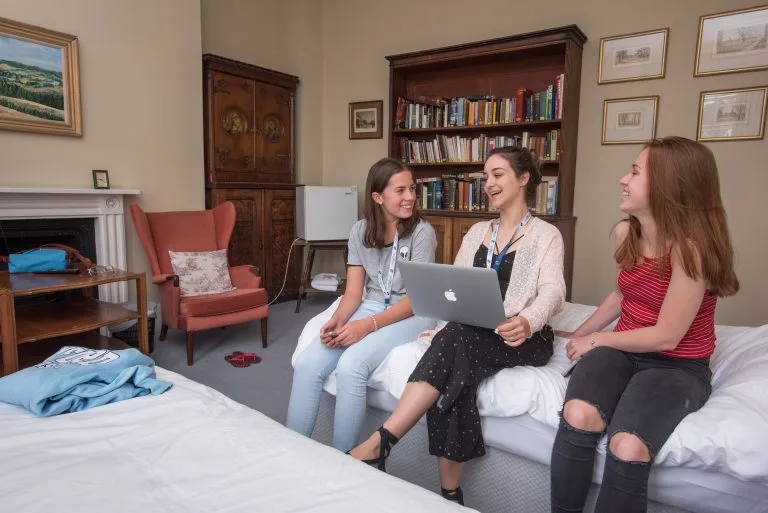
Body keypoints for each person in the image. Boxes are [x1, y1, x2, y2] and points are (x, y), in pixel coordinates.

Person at [350, 146, 566, 506]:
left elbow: (554, 291)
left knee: (454, 344)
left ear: (523, 178)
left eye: (497, 175)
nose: (488, 184)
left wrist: (528, 321)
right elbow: (454, 287)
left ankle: (381, 442)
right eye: (486, 177)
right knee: (456, 361)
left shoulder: (547, 235)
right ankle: (451, 495)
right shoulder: (478, 231)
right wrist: (440, 326)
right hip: (474, 330)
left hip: (522, 336)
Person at [550, 136, 739, 513]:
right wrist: (583, 334)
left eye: (635, 172)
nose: (623, 179)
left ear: (670, 187)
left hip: (676, 364)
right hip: (623, 349)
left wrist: (597, 340)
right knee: (578, 415)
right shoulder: (628, 233)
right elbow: (622, 296)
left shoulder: (690, 252)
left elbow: (668, 337)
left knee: (628, 444)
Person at [286, 157, 437, 453]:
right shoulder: (359, 231)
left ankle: (348, 462)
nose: (410, 197)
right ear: (378, 197)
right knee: (306, 364)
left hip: (414, 310)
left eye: (412, 189)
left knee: (352, 364)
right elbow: (354, 292)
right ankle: (293, 454)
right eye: (400, 190)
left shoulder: (422, 232)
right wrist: (340, 318)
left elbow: (416, 299)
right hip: (371, 303)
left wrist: (366, 326)